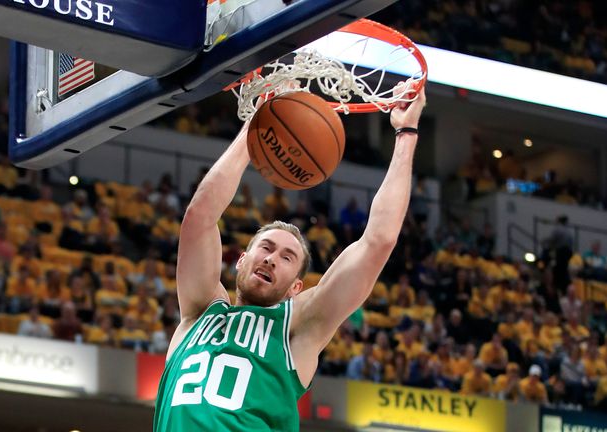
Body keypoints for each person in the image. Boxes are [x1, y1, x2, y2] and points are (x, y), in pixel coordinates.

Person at [153, 84, 425, 431]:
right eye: (265, 248)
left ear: (296, 287)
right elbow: (199, 216)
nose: (270, 259)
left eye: (286, 257)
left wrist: (406, 133)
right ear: (241, 259)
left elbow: (378, 241)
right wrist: (257, 127)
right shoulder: (199, 312)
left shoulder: (298, 329)